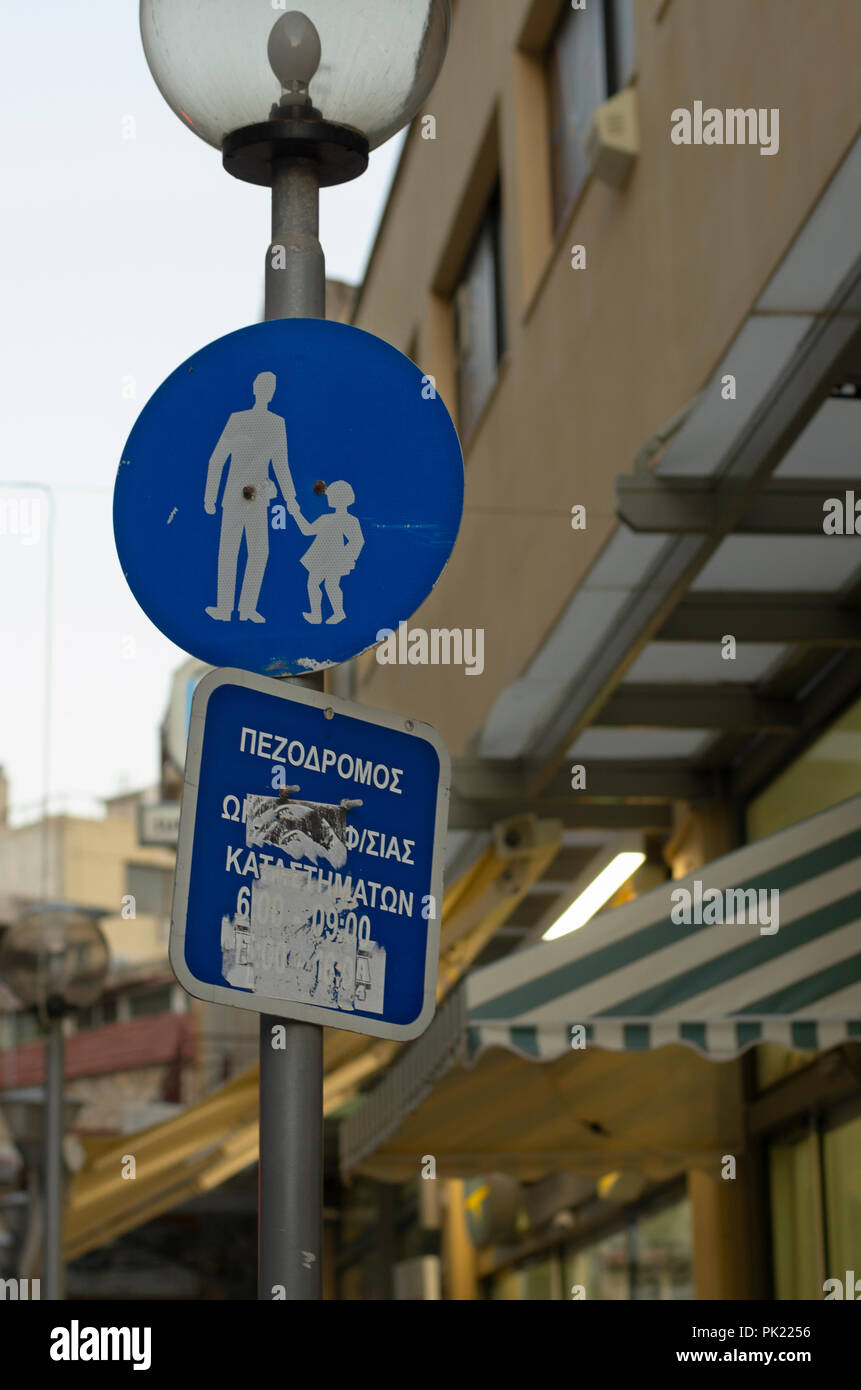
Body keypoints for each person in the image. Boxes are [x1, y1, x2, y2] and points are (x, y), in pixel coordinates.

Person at [203, 370, 295, 623]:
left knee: (259, 552)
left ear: (273, 392)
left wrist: (291, 498)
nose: (266, 390)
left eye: (270, 386)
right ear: (255, 389)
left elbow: (281, 465)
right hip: (233, 496)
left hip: (260, 498)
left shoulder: (277, 423)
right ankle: (224, 608)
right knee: (229, 551)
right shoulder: (237, 419)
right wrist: (209, 496)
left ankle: (247, 609)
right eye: (262, 385)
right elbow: (217, 458)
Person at [292, 481, 364, 625]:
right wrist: (296, 513)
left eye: (331, 495)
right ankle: (321, 615)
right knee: (318, 584)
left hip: (333, 559)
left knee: (326, 585)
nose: (328, 497)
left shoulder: (348, 520)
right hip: (322, 558)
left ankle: (335, 613)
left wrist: (345, 557)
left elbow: (358, 541)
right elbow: (307, 530)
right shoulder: (328, 518)